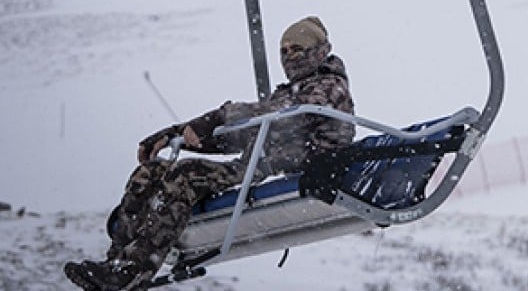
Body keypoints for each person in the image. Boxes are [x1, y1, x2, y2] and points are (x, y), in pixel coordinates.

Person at [64, 16, 356, 291]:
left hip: (298, 168)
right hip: (260, 164)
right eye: (284, 50)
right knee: (150, 173)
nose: (289, 57)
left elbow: (281, 116)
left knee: (184, 175)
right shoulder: (292, 91)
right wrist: (176, 135)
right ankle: (116, 262)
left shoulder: (328, 87)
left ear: (318, 52)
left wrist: (214, 119)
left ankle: (135, 270)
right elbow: (243, 133)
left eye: (298, 49)